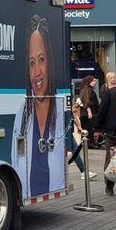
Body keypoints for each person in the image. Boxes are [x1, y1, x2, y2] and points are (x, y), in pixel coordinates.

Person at [11, 15, 65, 197]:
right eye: (32, 63)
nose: (37, 72)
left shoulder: (60, 113)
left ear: (50, 60)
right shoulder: (22, 115)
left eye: (41, 59)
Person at [76, 75, 100, 145]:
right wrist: (89, 112)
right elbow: (86, 101)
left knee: (87, 128)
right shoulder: (87, 90)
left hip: (86, 113)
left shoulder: (85, 89)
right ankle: (89, 143)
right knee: (89, 129)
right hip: (88, 113)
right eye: (93, 81)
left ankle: (89, 143)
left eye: (95, 81)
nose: (94, 82)